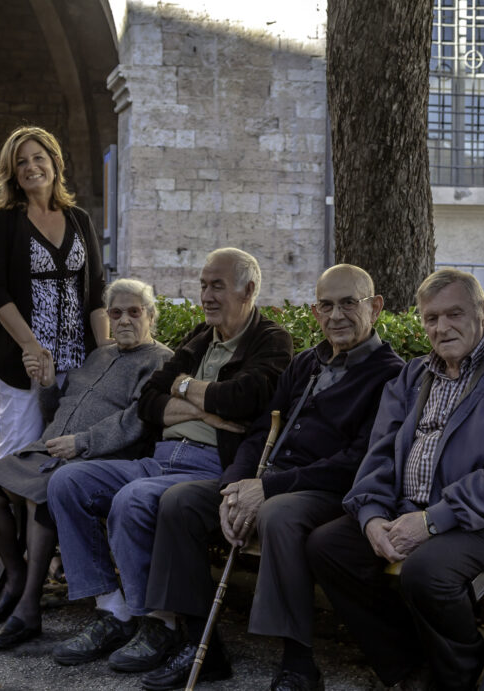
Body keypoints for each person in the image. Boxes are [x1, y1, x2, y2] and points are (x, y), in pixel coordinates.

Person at [139, 265, 405, 691]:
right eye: (326, 306)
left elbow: (358, 461)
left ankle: (299, 665)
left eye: (348, 304)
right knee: (180, 501)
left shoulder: (390, 373)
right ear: (315, 313)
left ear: (374, 307)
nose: (336, 315)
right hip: (267, 483)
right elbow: (260, 430)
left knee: (278, 515)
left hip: (328, 491)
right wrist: (233, 487)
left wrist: (267, 489)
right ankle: (200, 645)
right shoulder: (306, 363)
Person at [306, 269, 484, 690]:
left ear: (482, 311)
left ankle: (461, 673)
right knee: (329, 547)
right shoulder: (413, 375)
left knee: (426, 571)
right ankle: (410, 667)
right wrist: (371, 515)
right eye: (431, 318)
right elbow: (380, 454)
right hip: (416, 513)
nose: (442, 327)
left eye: (454, 314)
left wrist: (431, 521)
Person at [46, 248, 293, 677]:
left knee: (132, 499)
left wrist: (181, 389)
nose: (206, 296)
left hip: (210, 467)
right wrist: (204, 407)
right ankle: (113, 609)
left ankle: (158, 622)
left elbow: (243, 399)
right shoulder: (200, 337)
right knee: (68, 482)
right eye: (203, 285)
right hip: (159, 460)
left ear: (248, 290)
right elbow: (149, 402)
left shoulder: (270, 340)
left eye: (217, 286)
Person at [0, 278, 173, 649]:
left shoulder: (159, 360)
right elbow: (58, 411)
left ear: (150, 315)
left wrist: (82, 443)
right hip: (50, 449)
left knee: (43, 495)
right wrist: (48, 385)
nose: (124, 320)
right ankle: (16, 576)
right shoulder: (100, 355)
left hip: (98, 457)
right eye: (116, 313)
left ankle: (28, 606)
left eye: (134, 312)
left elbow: (137, 420)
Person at [0, 125, 109, 588]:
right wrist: (32, 348)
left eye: (39, 158)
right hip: (24, 363)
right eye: (21, 162)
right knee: (16, 454)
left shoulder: (79, 219)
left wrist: (105, 354)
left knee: (62, 461)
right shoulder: (3, 220)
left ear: (55, 162)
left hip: (77, 360)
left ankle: (46, 556)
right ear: (11, 172)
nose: (31, 167)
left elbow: (96, 292)